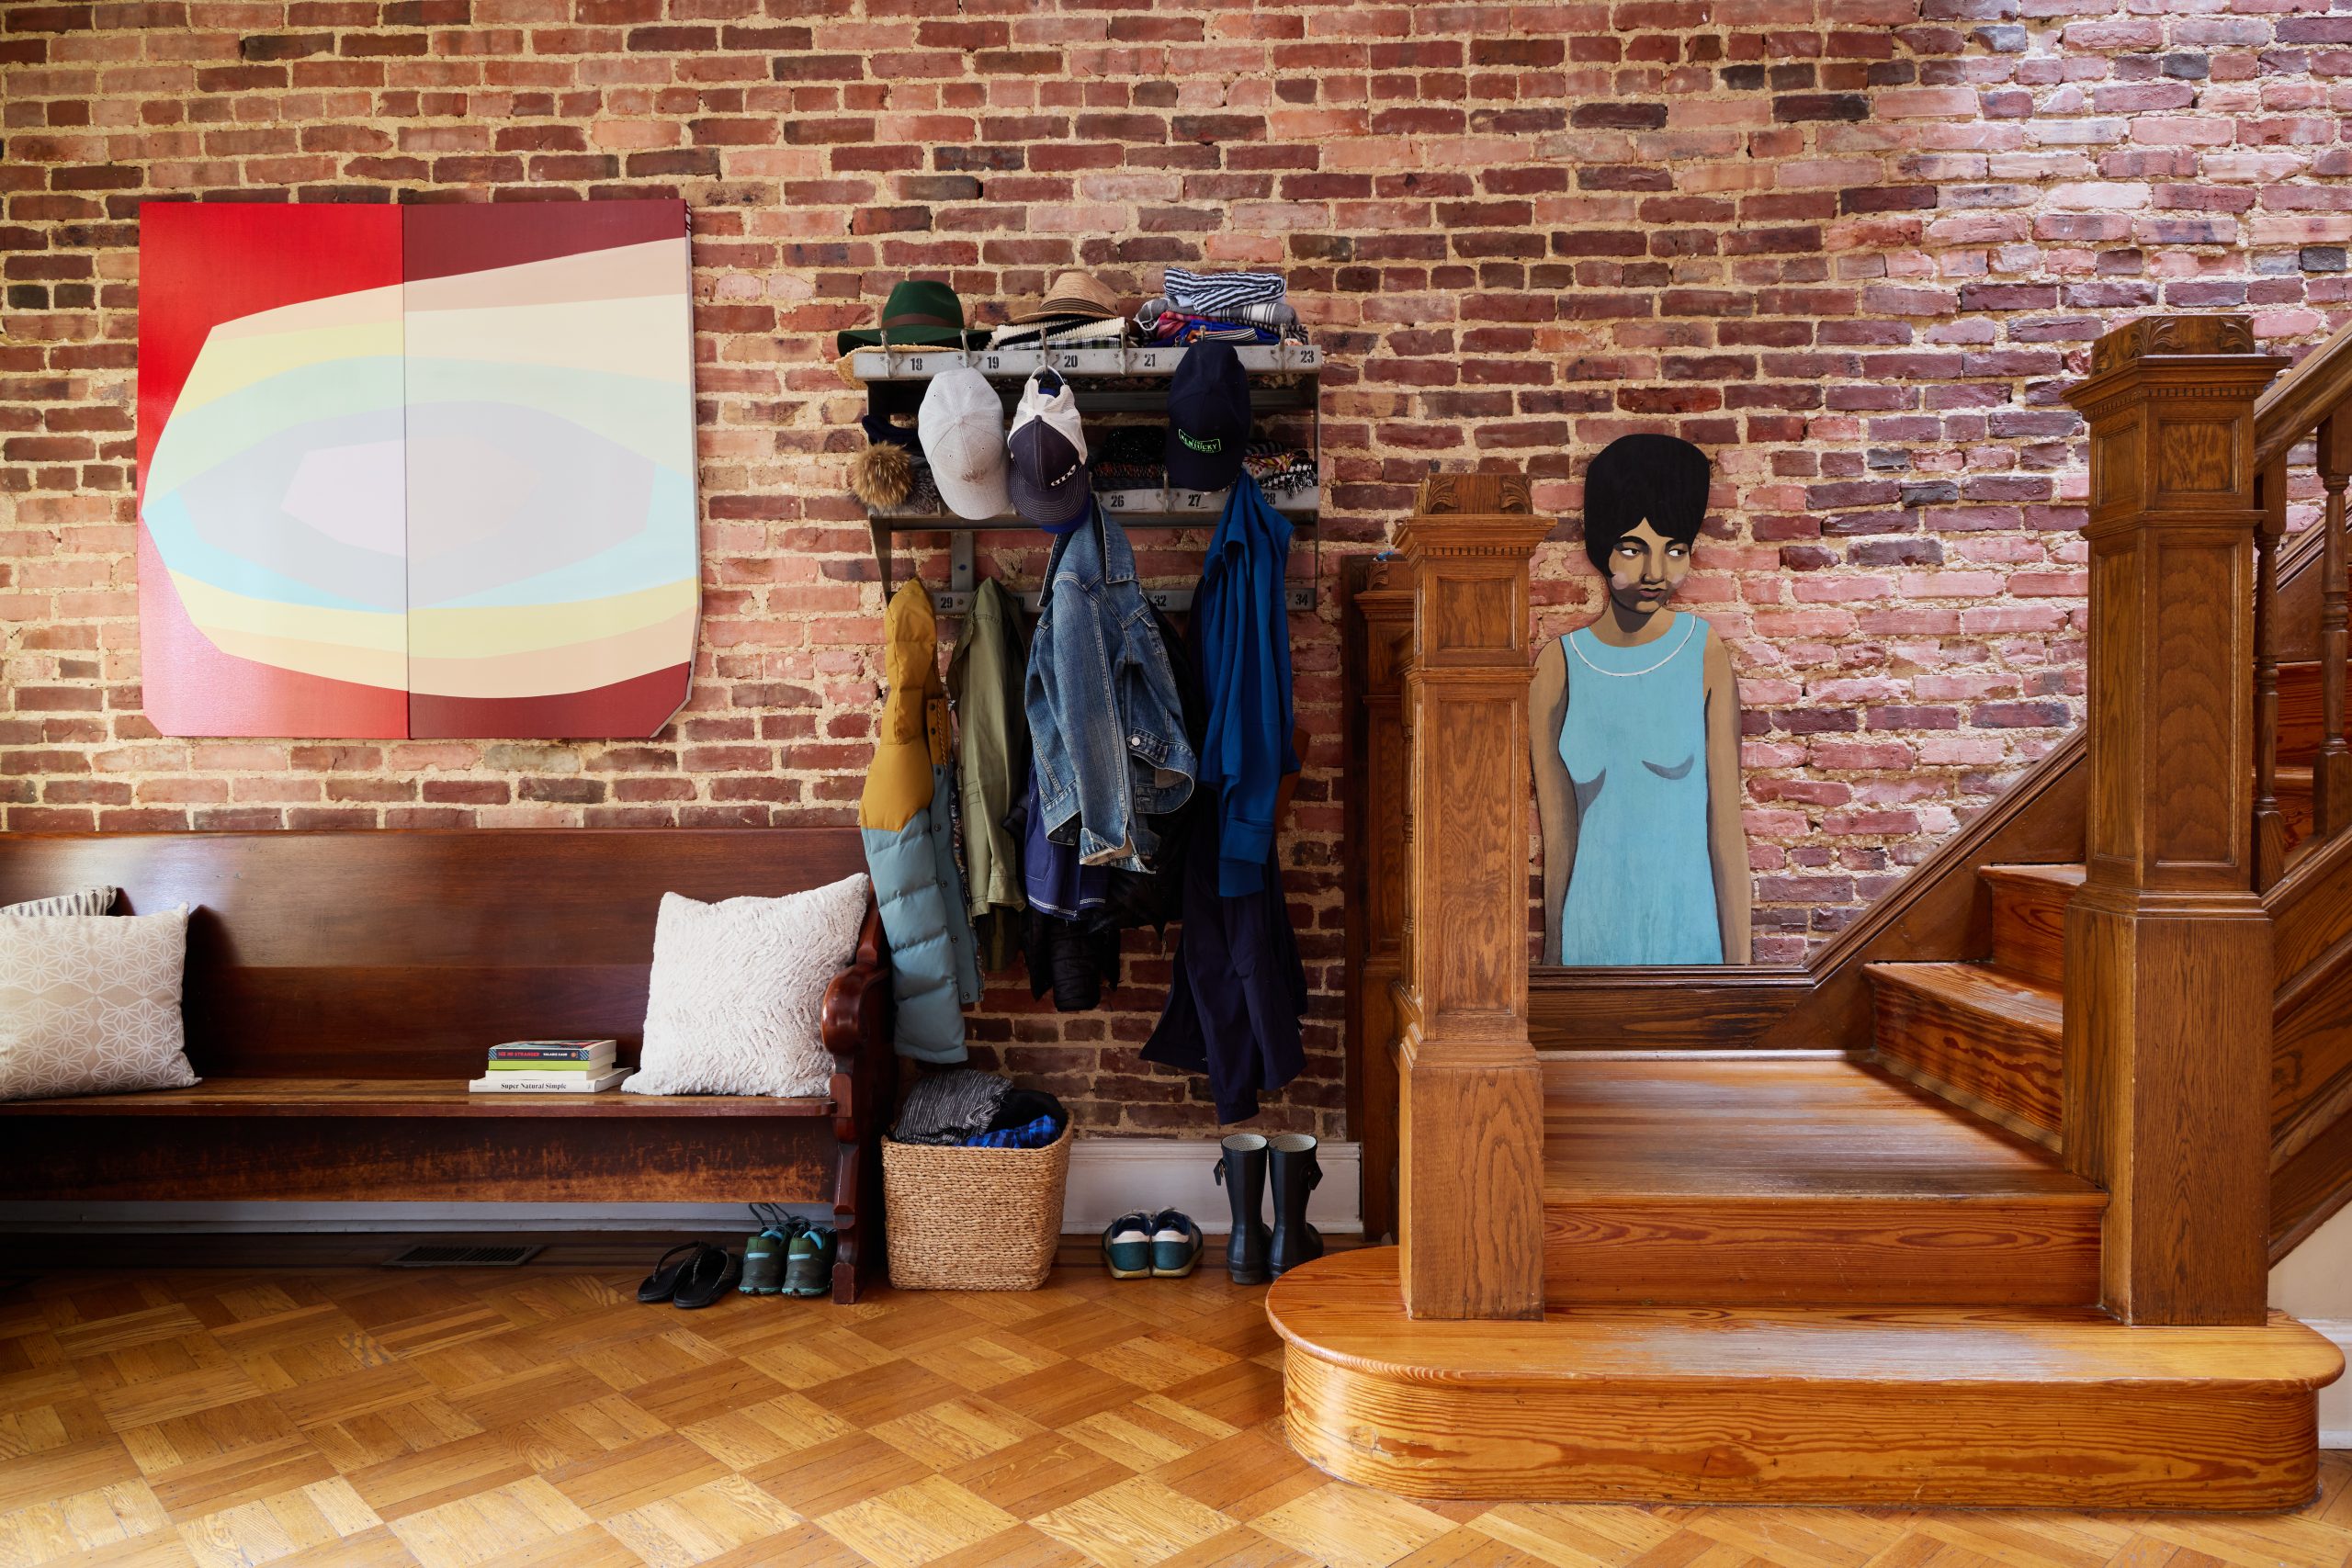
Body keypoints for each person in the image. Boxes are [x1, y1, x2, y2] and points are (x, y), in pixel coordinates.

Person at [1530, 434, 1751, 965]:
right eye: (1633, 549)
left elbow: (1726, 828)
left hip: (1689, 943)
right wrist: (1555, 971)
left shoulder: (1703, 653)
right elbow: (1559, 841)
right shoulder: (1558, 667)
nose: (1655, 573)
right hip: (1589, 941)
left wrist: (1742, 978)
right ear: (1601, 547)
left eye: (1675, 550)